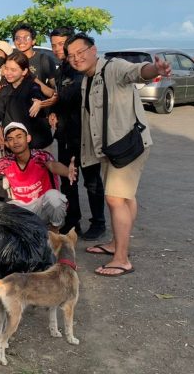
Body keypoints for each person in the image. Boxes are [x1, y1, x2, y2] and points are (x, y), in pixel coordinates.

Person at [66, 33, 170, 277]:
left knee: (115, 199)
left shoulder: (113, 67)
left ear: (94, 50)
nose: (76, 58)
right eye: (71, 55)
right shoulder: (87, 79)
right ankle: (117, 244)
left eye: (80, 52)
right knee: (126, 198)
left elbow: (137, 71)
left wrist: (156, 68)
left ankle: (122, 259)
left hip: (128, 145)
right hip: (111, 148)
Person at [48, 27, 104, 237]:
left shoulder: (82, 68)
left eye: (61, 44)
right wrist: (53, 110)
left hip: (86, 135)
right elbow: (60, 97)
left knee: (91, 180)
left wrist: (55, 100)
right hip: (65, 134)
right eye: (53, 45)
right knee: (68, 180)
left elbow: (70, 96)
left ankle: (98, 223)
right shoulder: (60, 69)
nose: (57, 49)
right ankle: (73, 221)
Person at [0, 50, 55, 150]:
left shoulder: (32, 86)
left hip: (37, 145)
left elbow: (36, 93)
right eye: (6, 68)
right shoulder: (5, 90)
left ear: (24, 71)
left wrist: (38, 102)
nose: (8, 73)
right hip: (15, 146)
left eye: (13, 70)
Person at [11, 23, 60, 91]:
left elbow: (54, 86)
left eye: (26, 38)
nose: (21, 41)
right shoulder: (11, 60)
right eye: (17, 38)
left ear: (33, 41)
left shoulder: (44, 59)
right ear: (14, 42)